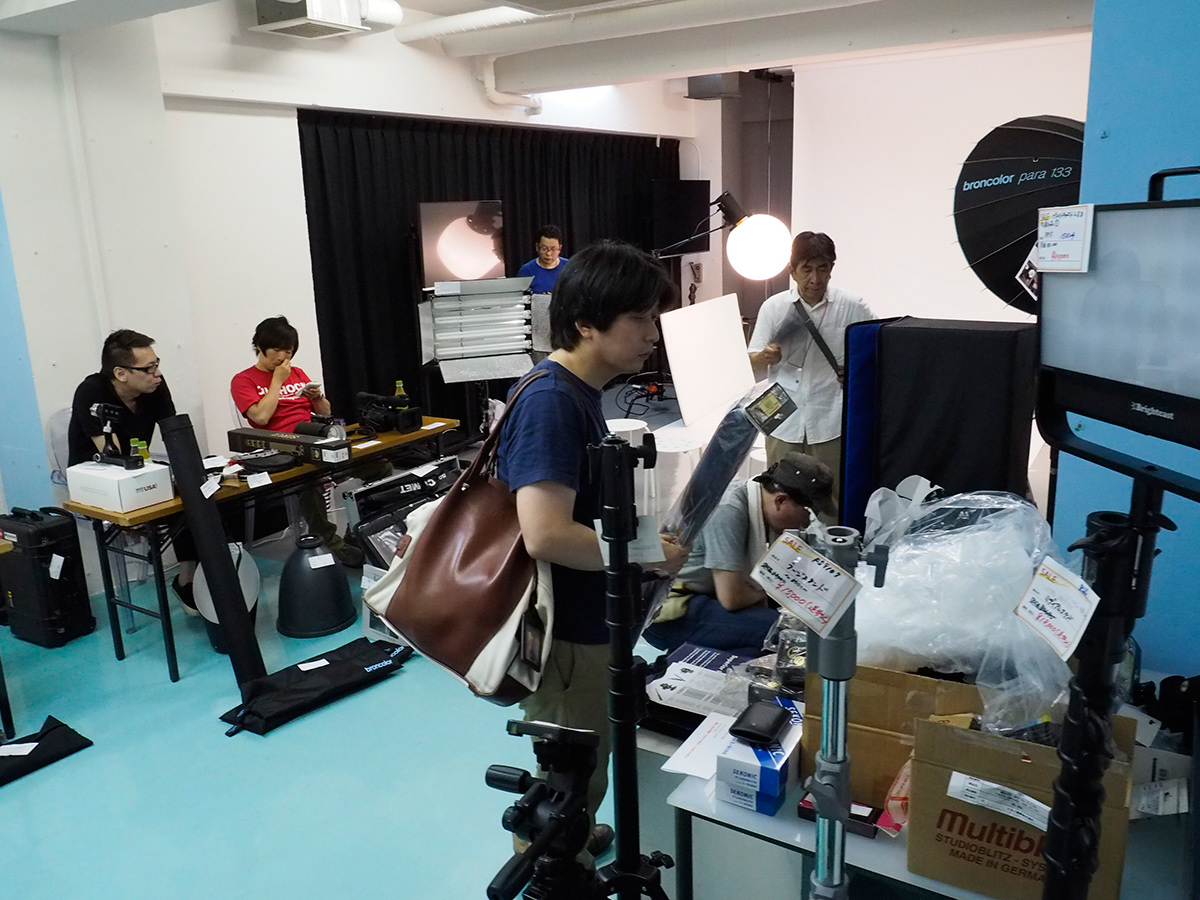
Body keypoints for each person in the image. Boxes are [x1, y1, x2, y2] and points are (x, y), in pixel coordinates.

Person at [496, 240, 689, 859]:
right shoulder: (552, 402)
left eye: (654, 318)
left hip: (585, 622)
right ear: (586, 323)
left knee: (587, 765)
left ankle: (573, 840)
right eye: (638, 319)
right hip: (567, 635)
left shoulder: (575, 392)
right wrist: (644, 551)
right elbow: (545, 533)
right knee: (565, 781)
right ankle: (554, 867)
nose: (653, 334)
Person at [644, 452, 837, 657]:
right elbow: (732, 598)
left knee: (776, 633)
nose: (807, 523)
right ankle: (678, 660)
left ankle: (706, 657)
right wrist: (766, 591)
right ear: (780, 500)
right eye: (808, 513)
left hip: (708, 593)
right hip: (669, 609)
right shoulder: (728, 509)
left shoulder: (758, 501)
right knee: (783, 633)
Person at [67, 329, 201, 613]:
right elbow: (111, 456)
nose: (157, 374)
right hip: (98, 481)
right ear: (121, 373)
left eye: (157, 364)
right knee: (174, 502)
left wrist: (192, 474)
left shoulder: (155, 388)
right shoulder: (91, 392)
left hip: (138, 471)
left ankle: (188, 580)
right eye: (148, 368)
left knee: (195, 498)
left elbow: (174, 434)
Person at [747, 232, 873, 512]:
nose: (815, 279)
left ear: (831, 269)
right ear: (792, 271)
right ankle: (783, 539)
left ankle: (830, 539)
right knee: (779, 497)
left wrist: (855, 371)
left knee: (830, 498)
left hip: (830, 418)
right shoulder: (774, 307)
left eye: (822, 269)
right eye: (807, 270)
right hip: (783, 420)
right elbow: (752, 361)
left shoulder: (853, 306)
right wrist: (765, 357)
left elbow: (876, 352)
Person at [230, 316, 364, 567]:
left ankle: (361, 529)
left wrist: (317, 397)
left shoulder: (298, 373)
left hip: (314, 437)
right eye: (276, 350)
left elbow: (325, 412)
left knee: (377, 464)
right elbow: (260, 417)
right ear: (259, 346)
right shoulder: (243, 380)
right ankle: (332, 543)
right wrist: (277, 381)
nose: (282, 357)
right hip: (278, 446)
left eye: (288, 351)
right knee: (309, 479)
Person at [517, 224, 569, 294]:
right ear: (537, 247)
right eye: (544, 248)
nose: (548, 253)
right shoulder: (526, 271)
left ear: (559, 249)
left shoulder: (568, 267)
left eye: (553, 249)